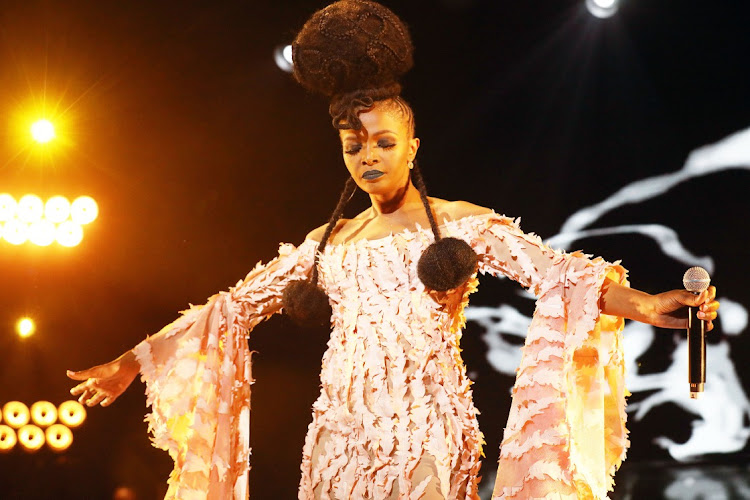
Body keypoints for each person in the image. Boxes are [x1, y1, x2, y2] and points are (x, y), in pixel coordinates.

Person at [67, 2, 720, 499]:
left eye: (382, 142)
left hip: (427, 430)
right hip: (338, 434)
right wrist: (131, 362)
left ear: (412, 145)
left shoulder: (457, 224)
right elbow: (229, 310)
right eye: (355, 147)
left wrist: (647, 302)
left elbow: (560, 275)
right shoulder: (328, 245)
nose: (369, 156)